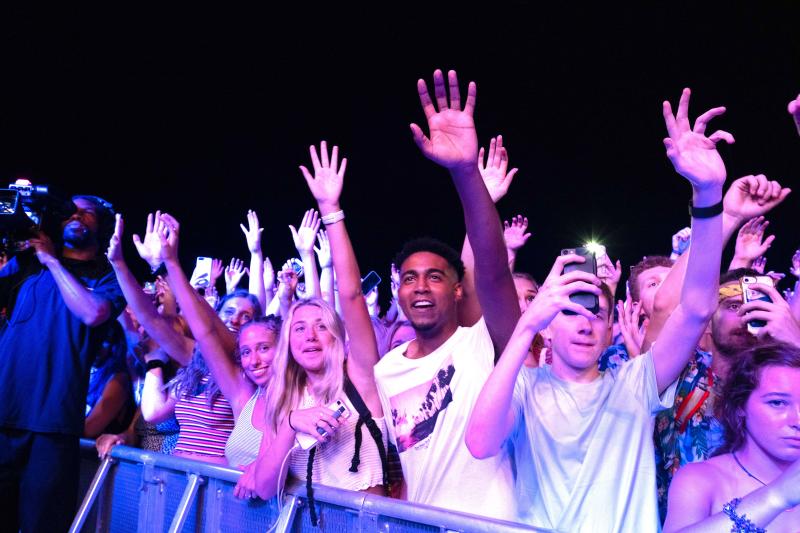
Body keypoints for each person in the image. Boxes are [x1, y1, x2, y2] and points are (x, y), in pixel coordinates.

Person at [465, 87, 729, 530]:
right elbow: (479, 443)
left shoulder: (635, 381)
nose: (587, 323)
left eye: (598, 314)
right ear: (548, 325)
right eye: (570, 310)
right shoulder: (526, 388)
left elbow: (697, 308)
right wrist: (528, 321)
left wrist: (708, 195)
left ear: (611, 329)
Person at [374, 69, 521, 520]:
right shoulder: (387, 370)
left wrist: (464, 175)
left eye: (435, 277)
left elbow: (492, 270)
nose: (420, 286)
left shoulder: (484, 341)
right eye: (410, 278)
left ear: (458, 289)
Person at [232, 142, 387, 509]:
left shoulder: (360, 376)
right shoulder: (283, 398)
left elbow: (350, 295)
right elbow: (267, 488)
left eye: (320, 326)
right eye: (299, 328)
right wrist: (290, 424)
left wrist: (330, 210)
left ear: (337, 336)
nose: (310, 336)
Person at [0, 195, 125, 533]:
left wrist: (53, 261)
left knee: (42, 525)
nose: (76, 216)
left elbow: (93, 312)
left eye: (86, 213)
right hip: (4, 415)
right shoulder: (26, 264)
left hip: (52, 424)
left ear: (101, 226)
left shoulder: (107, 275)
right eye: (71, 210)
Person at [663, 343, 800, 532]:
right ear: (741, 405)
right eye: (777, 403)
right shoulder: (701, 481)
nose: (797, 421)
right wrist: (776, 496)